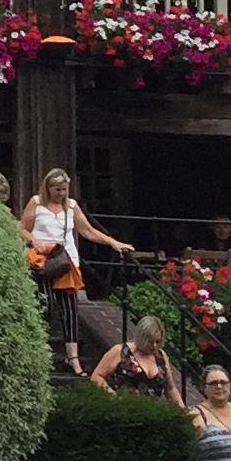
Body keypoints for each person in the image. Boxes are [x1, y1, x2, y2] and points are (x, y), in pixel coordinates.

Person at [23, 169, 132, 375]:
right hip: (42, 260)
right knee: (45, 305)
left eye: (64, 189)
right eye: (57, 189)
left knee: (70, 310)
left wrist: (113, 243)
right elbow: (23, 228)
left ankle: (72, 358)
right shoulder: (36, 203)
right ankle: (39, 352)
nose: (60, 193)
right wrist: (33, 240)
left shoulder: (71, 206)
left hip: (66, 261)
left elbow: (87, 230)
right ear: (48, 187)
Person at [89, 318, 184, 405]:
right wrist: (114, 397)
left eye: (158, 341)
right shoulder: (121, 351)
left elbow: (170, 388)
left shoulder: (161, 356)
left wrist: (184, 413)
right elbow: (97, 376)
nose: (154, 345)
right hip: (122, 408)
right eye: (151, 341)